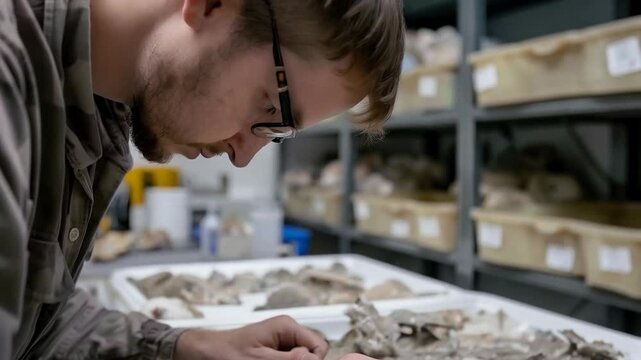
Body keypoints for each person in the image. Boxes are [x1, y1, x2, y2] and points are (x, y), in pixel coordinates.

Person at [0, 0, 404, 358]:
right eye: (270, 108)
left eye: (277, 132)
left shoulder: (96, 109)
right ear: (211, 5)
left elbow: (34, 322)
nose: (243, 156)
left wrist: (186, 346)